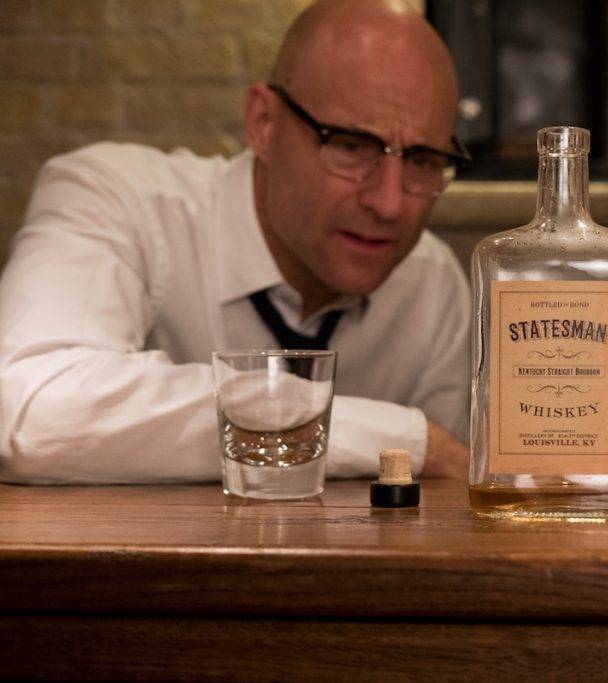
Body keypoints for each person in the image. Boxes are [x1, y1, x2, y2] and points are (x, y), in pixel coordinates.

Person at [0, 0, 472, 484]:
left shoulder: (431, 283)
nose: (388, 203)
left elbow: (442, 499)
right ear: (263, 124)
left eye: (423, 161)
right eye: (350, 146)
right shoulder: (119, 200)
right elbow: (29, 410)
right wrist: (409, 442)